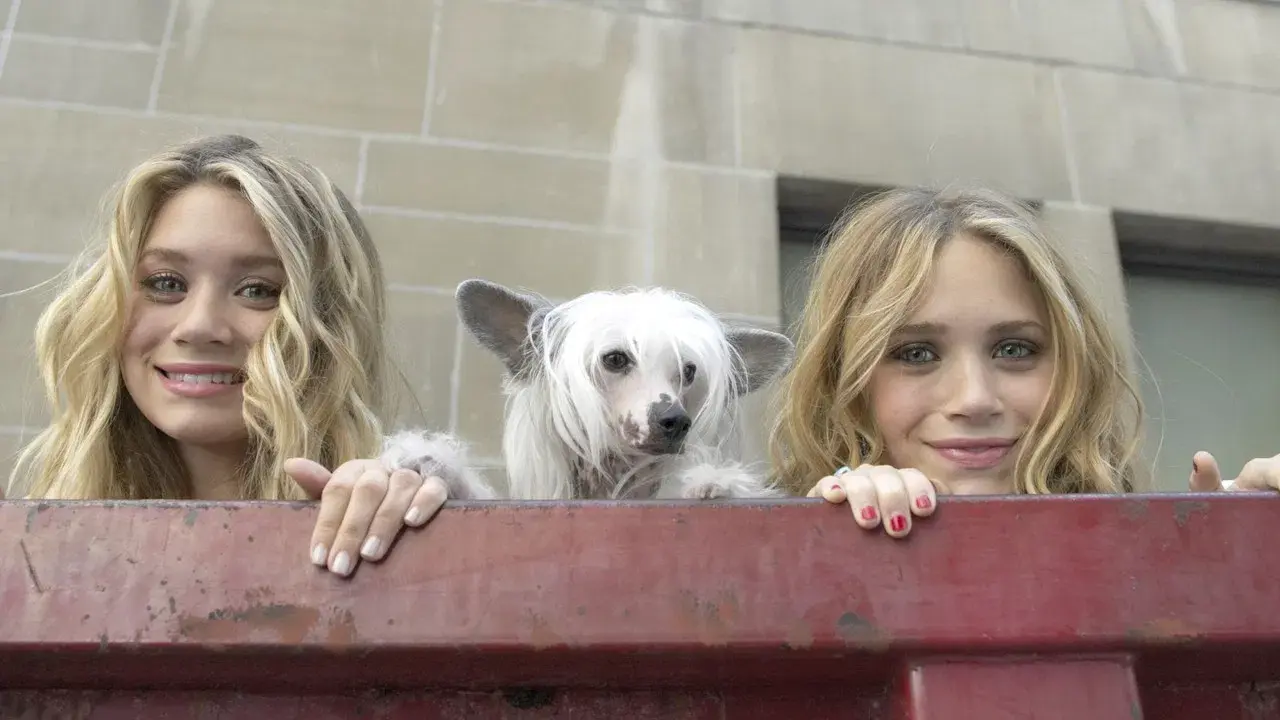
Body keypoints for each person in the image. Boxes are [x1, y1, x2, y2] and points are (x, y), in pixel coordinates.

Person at [2, 134, 451, 576]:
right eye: (166, 283)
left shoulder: (395, 526)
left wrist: (415, 522)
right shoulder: (34, 551)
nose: (198, 326)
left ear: (328, 327)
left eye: (257, 290)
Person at [769, 186, 1280, 538]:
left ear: (1076, 369)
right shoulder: (777, 571)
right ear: (843, 381)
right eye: (916, 354)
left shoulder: (1159, 555)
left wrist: (1236, 553)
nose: (974, 400)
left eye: (1014, 350)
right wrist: (821, 536)